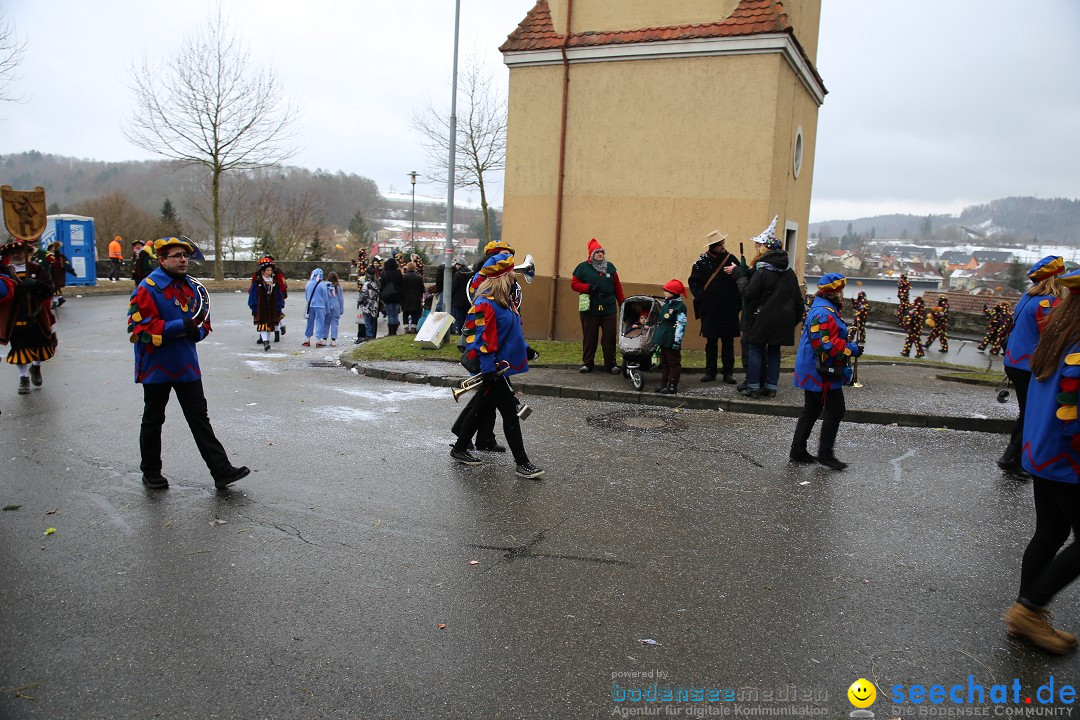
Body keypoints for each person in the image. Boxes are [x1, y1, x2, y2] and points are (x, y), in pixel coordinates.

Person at [127, 237, 249, 490]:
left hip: (186, 365)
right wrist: (178, 327)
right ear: (161, 260)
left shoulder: (193, 287)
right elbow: (141, 328)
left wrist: (199, 333)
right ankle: (150, 472)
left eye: (185, 255)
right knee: (153, 419)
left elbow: (203, 322)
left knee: (199, 418)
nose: (183, 260)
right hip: (156, 365)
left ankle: (221, 471)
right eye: (176, 256)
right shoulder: (147, 287)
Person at [1003, 267, 1080, 654]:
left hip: (1044, 451)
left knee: (1050, 533)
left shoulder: (1058, 332)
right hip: (1068, 459)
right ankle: (1029, 611)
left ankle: (1026, 612)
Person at [450, 251, 543, 478]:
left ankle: (460, 447)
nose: (515, 274)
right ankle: (523, 464)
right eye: (511, 271)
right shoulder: (485, 305)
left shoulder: (505, 303)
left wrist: (525, 348)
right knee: (510, 413)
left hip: (499, 366)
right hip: (492, 368)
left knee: (480, 408)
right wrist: (489, 368)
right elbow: (480, 339)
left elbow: (510, 332)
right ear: (501, 276)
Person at [998, 256, 1066, 481]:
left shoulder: (1028, 296)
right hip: (1030, 365)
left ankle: (1015, 457)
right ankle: (1011, 457)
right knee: (1031, 413)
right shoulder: (1049, 303)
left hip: (1014, 362)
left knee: (1026, 411)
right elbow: (1050, 337)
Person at [789, 273, 861, 470]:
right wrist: (851, 348)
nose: (842, 295)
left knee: (811, 409)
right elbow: (823, 344)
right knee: (836, 410)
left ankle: (798, 450)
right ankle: (825, 454)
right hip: (820, 371)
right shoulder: (824, 312)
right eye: (840, 291)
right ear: (834, 292)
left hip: (813, 368)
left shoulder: (823, 308)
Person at [735, 224, 802, 399]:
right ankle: (771, 387)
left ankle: (753, 386)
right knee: (774, 351)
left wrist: (741, 278)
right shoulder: (789, 273)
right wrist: (793, 321)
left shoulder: (763, 271)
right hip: (783, 320)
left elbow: (749, 293)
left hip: (762, 319)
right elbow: (798, 300)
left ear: (767, 250)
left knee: (756, 350)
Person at [0, 239, 57, 395]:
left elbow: (49, 289)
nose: (17, 255)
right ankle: (23, 378)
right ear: (8, 255)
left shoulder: (36, 269)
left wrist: (36, 284)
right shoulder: (4, 272)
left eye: (19, 252)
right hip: (15, 315)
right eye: (13, 253)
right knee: (20, 347)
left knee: (41, 345)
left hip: (37, 315)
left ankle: (36, 367)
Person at [689, 229, 742, 383]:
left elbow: (740, 280)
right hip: (710, 309)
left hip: (728, 309)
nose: (723, 246)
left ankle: (728, 372)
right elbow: (693, 281)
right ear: (712, 246)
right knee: (711, 341)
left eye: (723, 243)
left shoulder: (731, 259)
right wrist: (702, 298)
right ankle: (710, 371)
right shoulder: (701, 261)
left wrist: (737, 304)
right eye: (719, 244)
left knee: (728, 342)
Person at [570, 238, 625, 374]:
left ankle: (611, 364)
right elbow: (574, 284)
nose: (600, 254)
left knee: (609, 338)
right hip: (590, 308)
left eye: (602, 252)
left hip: (609, 308)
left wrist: (622, 302)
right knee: (590, 337)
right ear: (591, 254)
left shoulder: (610, 267)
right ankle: (587, 363)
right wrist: (587, 287)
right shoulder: (582, 267)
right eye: (597, 252)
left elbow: (617, 286)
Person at [653, 279, 688, 394]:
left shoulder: (680, 306)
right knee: (664, 361)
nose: (664, 293)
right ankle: (664, 382)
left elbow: (681, 324)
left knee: (673, 362)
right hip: (663, 337)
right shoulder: (667, 304)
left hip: (671, 338)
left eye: (666, 291)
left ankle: (672, 384)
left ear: (673, 293)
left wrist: (677, 340)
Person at [248, 257, 285, 351]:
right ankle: (265, 342)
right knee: (263, 325)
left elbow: (278, 295)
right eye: (268, 270)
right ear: (263, 271)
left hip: (272, 308)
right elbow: (252, 295)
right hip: (261, 307)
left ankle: (266, 339)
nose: (270, 272)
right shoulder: (257, 283)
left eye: (271, 270)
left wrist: (280, 305)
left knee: (269, 325)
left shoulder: (275, 283)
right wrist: (253, 306)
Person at [44, 241, 75, 308]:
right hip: (53, 274)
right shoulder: (49, 255)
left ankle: (55, 302)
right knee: (55, 287)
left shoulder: (58, 255)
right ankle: (60, 299)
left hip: (56, 274)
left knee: (54, 287)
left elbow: (66, 264)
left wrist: (72, 271)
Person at [302, 268, 328, 347]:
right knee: (320, 322)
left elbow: (306, 296)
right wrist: (327, 309)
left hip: (310, 306)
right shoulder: (322, 285)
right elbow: (325, 298)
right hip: (320, 306)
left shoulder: (308, 284)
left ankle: (307, 339)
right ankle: (318, 340)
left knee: (310, 322)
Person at [356, 266, 380, 343]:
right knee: (373, 320)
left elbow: (363, 294)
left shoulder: (367, 284)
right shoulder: (376, 284)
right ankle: (372, 335)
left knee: (367, 321)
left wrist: (359, 301)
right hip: (375, 305)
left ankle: (369, 335)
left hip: (367, 305)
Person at [379, 256, 403, 336]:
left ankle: (390, 331)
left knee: (390, 314)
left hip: (388, 296)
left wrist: (381, 295)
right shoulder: (398, 273)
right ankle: (395, 330)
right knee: (395, 314)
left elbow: (382, 285)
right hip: (397, 296)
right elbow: (401, 284)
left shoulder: (384, 273)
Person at [400, 261, 425, 333]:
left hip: (405, 298)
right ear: (414, 267)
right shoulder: (418, 277)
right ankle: (414, 327)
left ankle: (406, 328)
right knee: (415, 313)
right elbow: (422, 289)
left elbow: (401, 288)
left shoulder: (404, 277)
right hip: (415, 298)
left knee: (405, 313)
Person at [324, 271, 344, 346]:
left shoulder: (325, 287)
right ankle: (333, 340)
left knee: (326, 323)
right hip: (336, 307)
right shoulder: (338, 287)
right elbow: (340, 299)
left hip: (328, 307)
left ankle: (324, 339)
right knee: (334, 323)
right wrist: (341, 310)